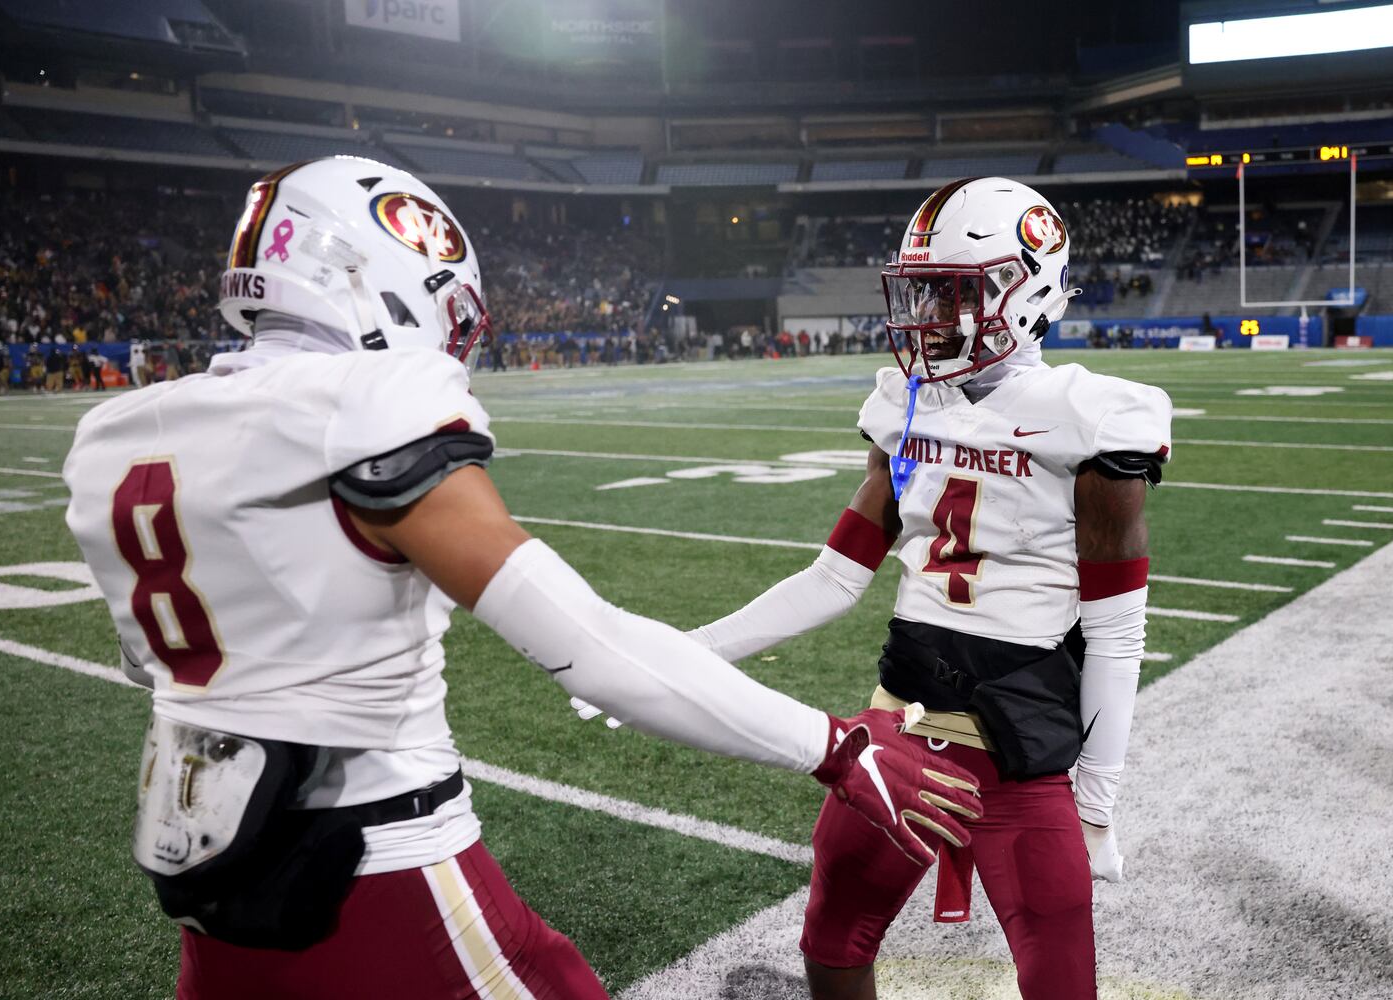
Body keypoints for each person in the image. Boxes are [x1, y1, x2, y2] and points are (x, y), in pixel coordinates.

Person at [60, 158, 981, 1000]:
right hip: (380, 862)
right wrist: (835, 746)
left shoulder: (117, 437)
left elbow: (160, 663)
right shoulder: (361, 403)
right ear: (376, 276)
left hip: (211, 880)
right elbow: (587, 642)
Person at [643, 178, 1171, 999]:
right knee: (832, 937)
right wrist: (689, 651)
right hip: (897, 731)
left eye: (953, 292)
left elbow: (1115, 632)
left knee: (1060, 977)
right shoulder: (905, 404)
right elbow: (832, 578)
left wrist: (1096, 801)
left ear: (1024, 290)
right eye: (923, 291)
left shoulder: (1092, 416)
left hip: (1018, 746)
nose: (929, 314)